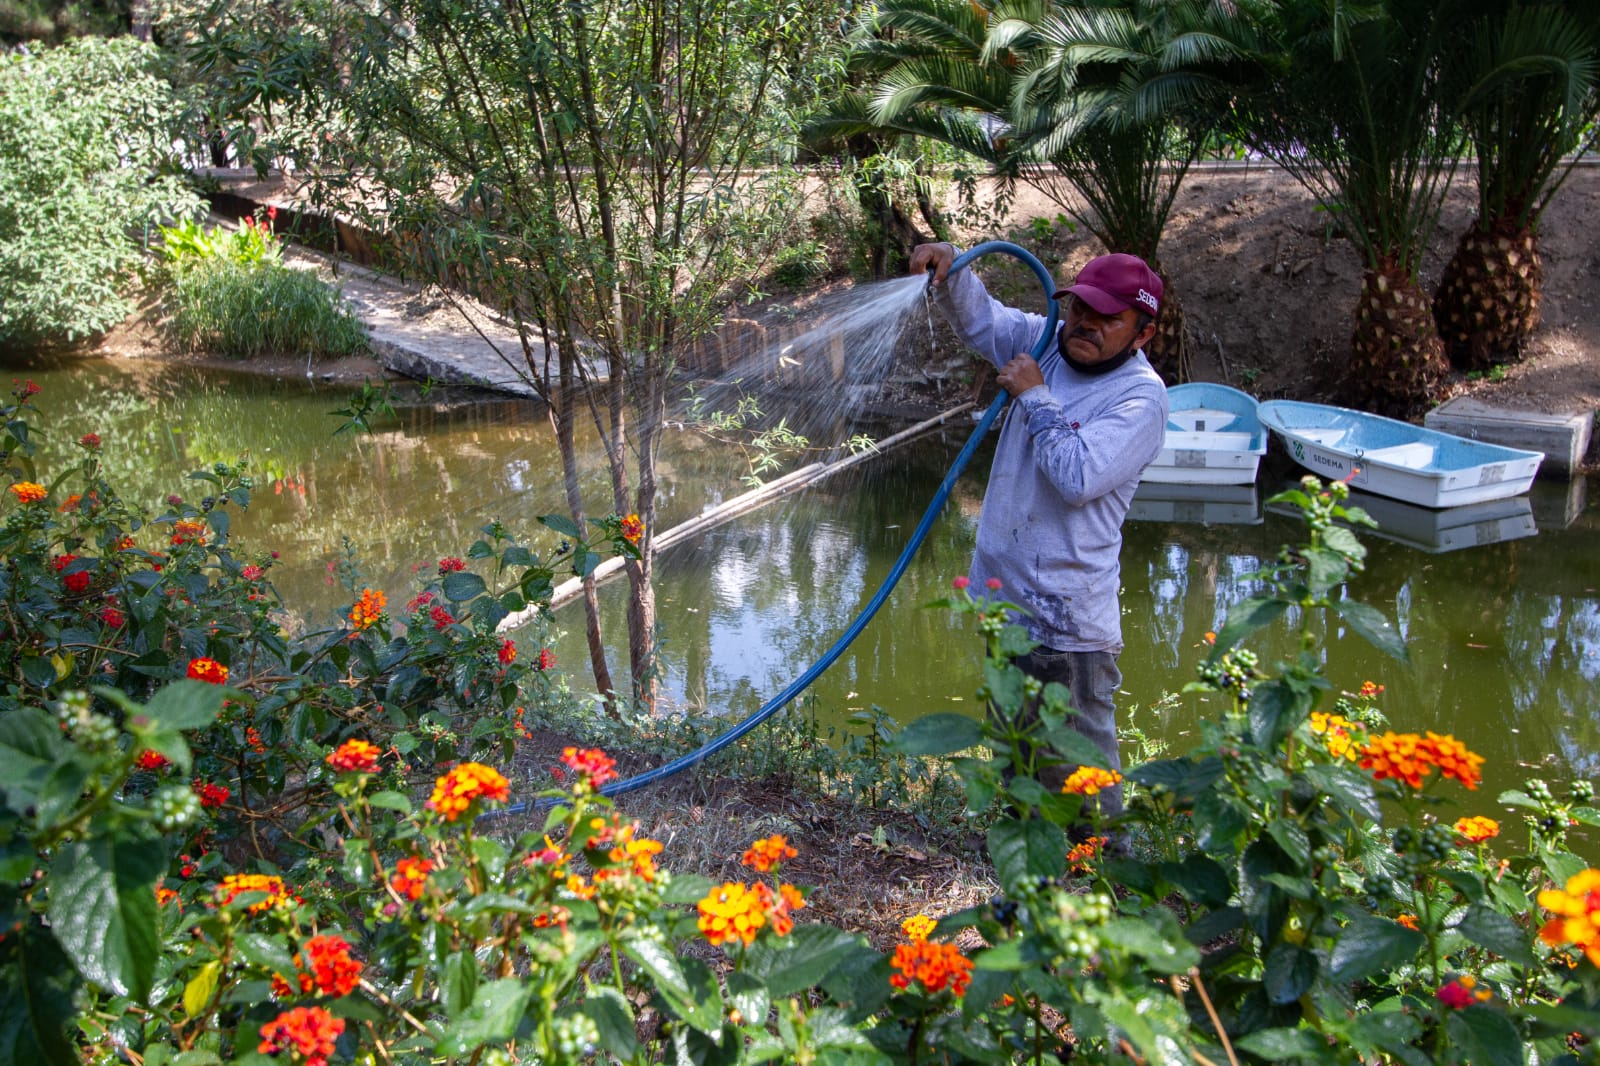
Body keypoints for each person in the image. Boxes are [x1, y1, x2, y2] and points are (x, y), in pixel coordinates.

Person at [910, 243, 1169, 824]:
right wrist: (954, 273)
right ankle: (1031, 883)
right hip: (1008, 608)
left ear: (1143, 334)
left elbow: (1077, 476)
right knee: (1018, 765)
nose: (1086, 325)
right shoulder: (1047, 340)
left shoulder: (1140, 397)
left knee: (1079, 780)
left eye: (1109, 318)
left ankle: (1103, 884)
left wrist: (1033, 395)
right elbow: (984, 321)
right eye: (1081, 309)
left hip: (1068, 626)